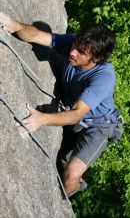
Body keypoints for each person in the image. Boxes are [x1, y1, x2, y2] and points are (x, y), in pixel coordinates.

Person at [0, 12, 122, 197]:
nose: (72, 52)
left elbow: (76, 114)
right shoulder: (75, 46)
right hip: (76, 118)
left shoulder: (104, 77)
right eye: (75, 45)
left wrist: (42, 119)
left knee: (71, 173)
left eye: (81, 53)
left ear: (96, 58)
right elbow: (36, 35)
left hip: (98, 127)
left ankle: (65, 200)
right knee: (63, 162)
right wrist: (15, 25)